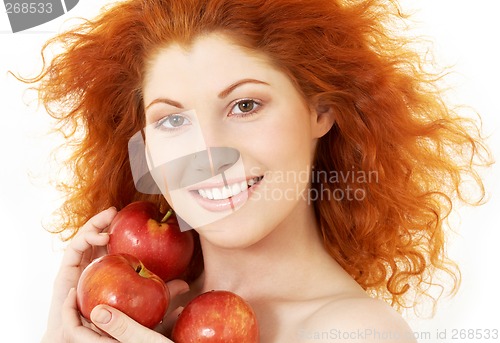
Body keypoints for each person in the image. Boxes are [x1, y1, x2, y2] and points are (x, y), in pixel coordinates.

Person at [30, 0, 489, 342]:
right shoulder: (124, 319)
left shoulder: (356, 332)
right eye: (172, 119)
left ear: (320, 110)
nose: (208, 153)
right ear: (145, 146)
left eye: (245, 105)